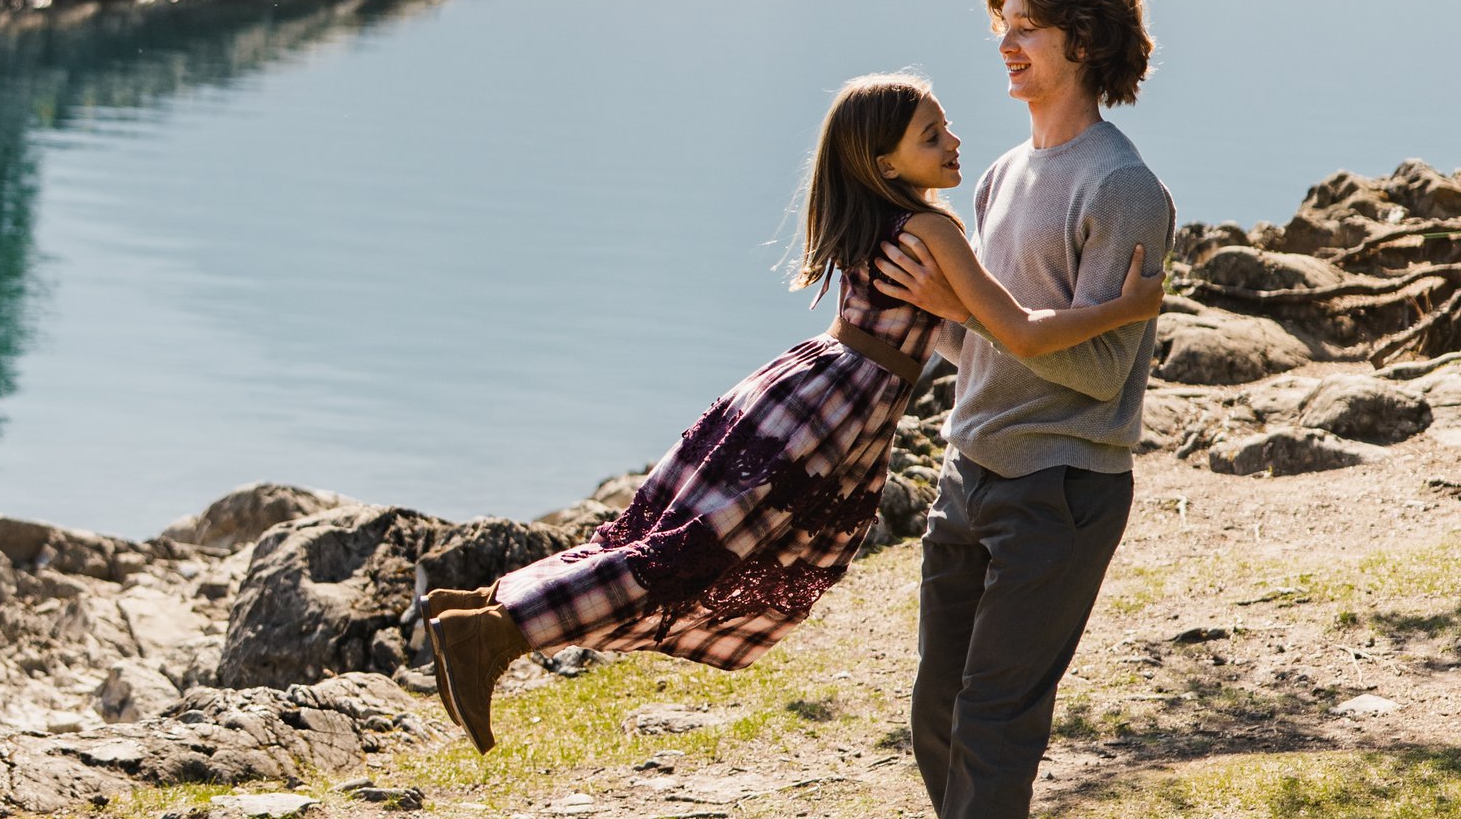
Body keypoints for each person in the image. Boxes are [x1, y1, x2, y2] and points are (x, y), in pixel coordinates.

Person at [424, 65, 1162, 757]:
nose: (955, 141)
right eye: (931, 135)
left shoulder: (875, 219)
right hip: (832, 413)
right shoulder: (934, 228)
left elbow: (950, 329)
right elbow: (1023, 331)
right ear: (885, 166)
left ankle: (487, 607)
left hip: (800, 384)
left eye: (945, 127)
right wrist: (1123, 309)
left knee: (667, 538)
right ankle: (497, 632)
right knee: (682, 558)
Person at [806, 0, 1173, 819]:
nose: (1005, 48)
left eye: (1025, 28)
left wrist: (997, 320)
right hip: (971, 477)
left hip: (1060, 489)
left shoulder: (1124, 186)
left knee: (999, 725)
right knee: (937, 717)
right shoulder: (1005, 176)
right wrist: (943, 310)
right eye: (1000, 28)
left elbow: (1101, 372)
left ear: (1084, 41)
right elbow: (992, 344)